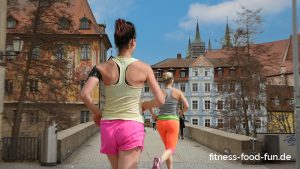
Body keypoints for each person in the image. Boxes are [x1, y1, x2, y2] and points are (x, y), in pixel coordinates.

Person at [80, 18, 165, 169]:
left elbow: (84, 94)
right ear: (133, 41)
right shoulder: (144, 68)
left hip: (108, 126)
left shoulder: (101, 67)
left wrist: (98, 113)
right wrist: (146, 105)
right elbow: (160, 99)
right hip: (131, 126)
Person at [143, 72, 189, 169]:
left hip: (161, 122)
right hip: (173, 122)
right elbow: (187, 106)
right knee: (171, 149)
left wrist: (153, 115)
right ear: (172, 80)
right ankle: (159, 160)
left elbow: (150, 105)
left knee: (168, 149)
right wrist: (180, 113)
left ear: (163, 81)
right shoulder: (178, 92)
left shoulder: (160, 92)